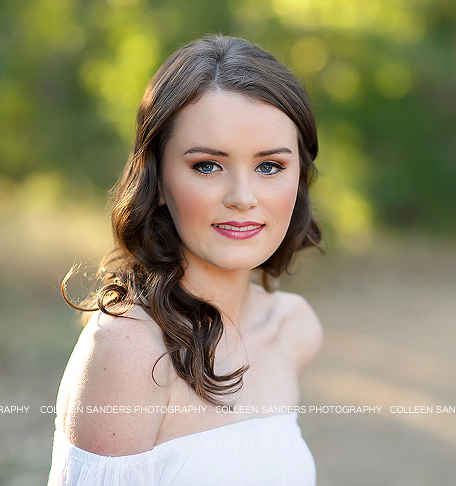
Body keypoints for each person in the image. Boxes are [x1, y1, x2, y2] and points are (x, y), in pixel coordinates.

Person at [47, 33, 325, 486]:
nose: (242, 198)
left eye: (270, 166)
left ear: (298, 177)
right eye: (207, 166)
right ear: (156, 180)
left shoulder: (294, 329)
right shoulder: (129, 348)